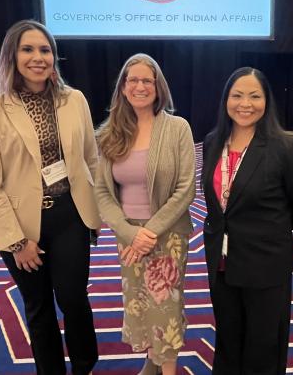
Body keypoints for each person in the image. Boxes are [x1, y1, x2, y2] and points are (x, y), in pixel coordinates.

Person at [0, 20, 100, 375]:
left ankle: (85, 365)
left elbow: (91, 159)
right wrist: (16, 241)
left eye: (44, 50)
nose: (38, 57)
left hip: (69, 215)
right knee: (38, 305)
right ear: (12, 56)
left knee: (74, 298)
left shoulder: (74, 100)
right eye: (28, 49)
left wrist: (95, 212)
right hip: (21, 224)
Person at [200, 67, 293, 375]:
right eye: (237, 95)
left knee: (263, 345)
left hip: (265, 263)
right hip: (222, 262)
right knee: (228, 337)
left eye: (255, 96)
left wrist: (268, 231)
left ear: (267, 101)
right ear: (226, 99)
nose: (245, 104)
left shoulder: (285, 149)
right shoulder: (214, 141)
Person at [95, 53, 195, 375]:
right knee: (140, 304)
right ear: (123, 88)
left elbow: (186, 189)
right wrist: (128, 233)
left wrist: (148, 233)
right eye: (133, 80)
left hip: (168, 232)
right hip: (127, 234)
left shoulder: (178, 128)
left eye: (147, 80)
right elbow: (102, 192)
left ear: (158, 87)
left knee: (165, 307)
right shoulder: (109, 134)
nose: (140, 86)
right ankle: (152, 363)